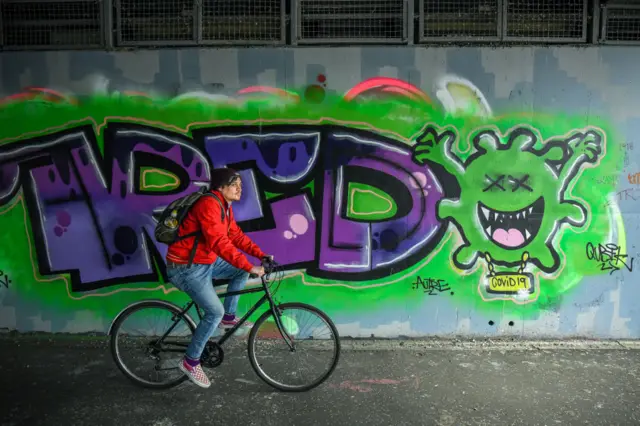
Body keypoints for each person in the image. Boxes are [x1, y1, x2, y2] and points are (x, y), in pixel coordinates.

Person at [165, 167, 272, 388]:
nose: (239, 189)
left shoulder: (224, 206)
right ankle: (190, 361)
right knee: (214, 311)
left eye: (241, 185)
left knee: (239, 271)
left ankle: (229, 318)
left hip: (204, 262)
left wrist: (261, 255)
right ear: (221, 186)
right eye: (235, 184)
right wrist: (250, 265)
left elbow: (235, 236)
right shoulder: (208, 204)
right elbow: (218, 242)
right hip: (186, 267)